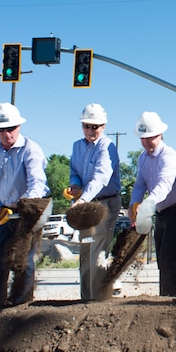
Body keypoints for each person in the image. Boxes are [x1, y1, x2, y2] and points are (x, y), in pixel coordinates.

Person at [0, 102, 49, 316]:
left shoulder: (31, 149)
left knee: (24, 259)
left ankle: (21, 306)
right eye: (1, 129)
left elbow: (37, 181)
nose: (6, 133)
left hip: (30, 211)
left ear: (19, 126)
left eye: (11, 128)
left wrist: (26, 205)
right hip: (5, 213)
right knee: (0, 258)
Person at [129, 111, 176, 297]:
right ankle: (163, 301)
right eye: (143, 138)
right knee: (162, 261)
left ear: (160, 134)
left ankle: (172, 301)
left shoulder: (169, 155)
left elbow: (165, 184)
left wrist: (148, 202)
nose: (147, 142)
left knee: (168, 258)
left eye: (151, 137)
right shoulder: (142, 158)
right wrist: (134, 203)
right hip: (162, 212)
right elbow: (140, 185)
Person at [67, 103, 121, 301]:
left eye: (95, 126)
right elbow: (74, 172)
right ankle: (86, 298)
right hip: (87, 205)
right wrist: (75, 185)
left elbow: (101, 177)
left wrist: (81, 199)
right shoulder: (77, 146)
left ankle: (98, 299)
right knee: (86, 247)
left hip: (105, 204)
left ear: (103, 126)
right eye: (86, 126)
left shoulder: (108, 147)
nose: (90, 130)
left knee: (97, 250)